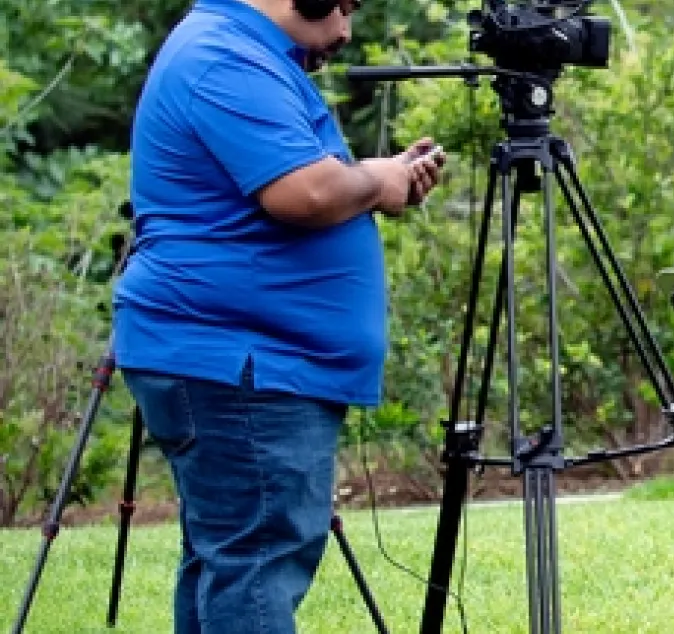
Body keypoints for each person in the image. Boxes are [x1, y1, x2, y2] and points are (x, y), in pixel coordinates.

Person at [113, 0, 444, 631]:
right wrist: (375, 180)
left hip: (244, 359)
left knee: (230, 561)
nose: (345, 30)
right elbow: (306, 193)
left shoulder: (239, 52)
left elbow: (310, 183)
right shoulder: (223, 56)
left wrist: (378, 180)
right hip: (244, 364)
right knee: (256, 566)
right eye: (344, 7)